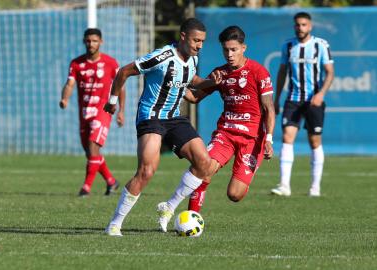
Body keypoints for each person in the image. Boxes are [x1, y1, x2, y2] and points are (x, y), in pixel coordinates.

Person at [103, 18, 220, 236]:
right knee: (147, 171)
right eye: (196, 40)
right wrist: (112, 101)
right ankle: (115, 224)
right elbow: (123, 71)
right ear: (183, 36)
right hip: (151, 117)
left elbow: (191, 90)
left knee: (205, 163)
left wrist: (211, 83)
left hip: (175, 117)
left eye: (202, 41)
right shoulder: (163, 56)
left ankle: (169, 207)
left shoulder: (193, 59)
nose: (199, 45)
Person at [184, 25, 275, 213]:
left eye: (234, 49)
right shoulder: (220, 73)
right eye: (226, 50)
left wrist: (269, 139)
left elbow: (269, 108)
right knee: (205, 168)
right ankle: (191, 217)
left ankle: (245, 174)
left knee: (235, 194)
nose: (229, 54)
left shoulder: (259, 72)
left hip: (252, 139)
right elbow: (194, 97)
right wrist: (174, 83)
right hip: (226, 133)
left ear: (244, 48)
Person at [270, 12, 334, 197]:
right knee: (287, 137)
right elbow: (282, 72)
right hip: (294, 99)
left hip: (314, 100)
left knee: (314, 141)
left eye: (304, 24)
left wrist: (321, 94)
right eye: (297, 25)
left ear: (310, 26)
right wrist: (276, 99)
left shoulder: (321, 45)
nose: (300, 28)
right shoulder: (288, 46)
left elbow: (330, 72)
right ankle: (284, 185)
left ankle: (315, 188)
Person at [59, 28, 125, 197]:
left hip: (103, 111)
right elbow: (69, 84)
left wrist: (121, 110)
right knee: (90, 153)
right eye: (88, 41)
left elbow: (120, 86)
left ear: (100, 42)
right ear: (84, 42)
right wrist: (65, 99)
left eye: (94, 41)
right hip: (84, 113)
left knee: (92, 146)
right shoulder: (76, 64)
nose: (91, 44)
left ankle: (86, 188)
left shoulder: (110, 63)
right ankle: (111, 181)